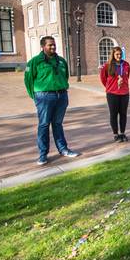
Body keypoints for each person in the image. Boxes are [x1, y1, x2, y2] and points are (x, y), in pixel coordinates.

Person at [24, 35, 80, 165]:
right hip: (44, 97)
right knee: (43, 125)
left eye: (54, 44)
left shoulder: (61, 61)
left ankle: (63, 149)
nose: (53, 47)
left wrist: (61, 89)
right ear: (43, 46)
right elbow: (28, 80)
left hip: (61, 96)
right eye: (50, 45)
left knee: (57, 124)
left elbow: (65, 76)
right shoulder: (34, 62)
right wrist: (35, 96)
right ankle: (43, 155)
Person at [100, 46, 130, 142]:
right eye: (117, 54)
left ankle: (122, 133)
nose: (119, 56)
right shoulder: (107, 66)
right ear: (113, 55)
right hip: (112, 94)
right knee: (113, 114)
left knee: (123, 114)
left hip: (124, 93)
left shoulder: (126, 65)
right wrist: (110, 87)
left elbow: (127, 76)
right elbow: (103, 78)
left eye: (121, 54)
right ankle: (115, 134)